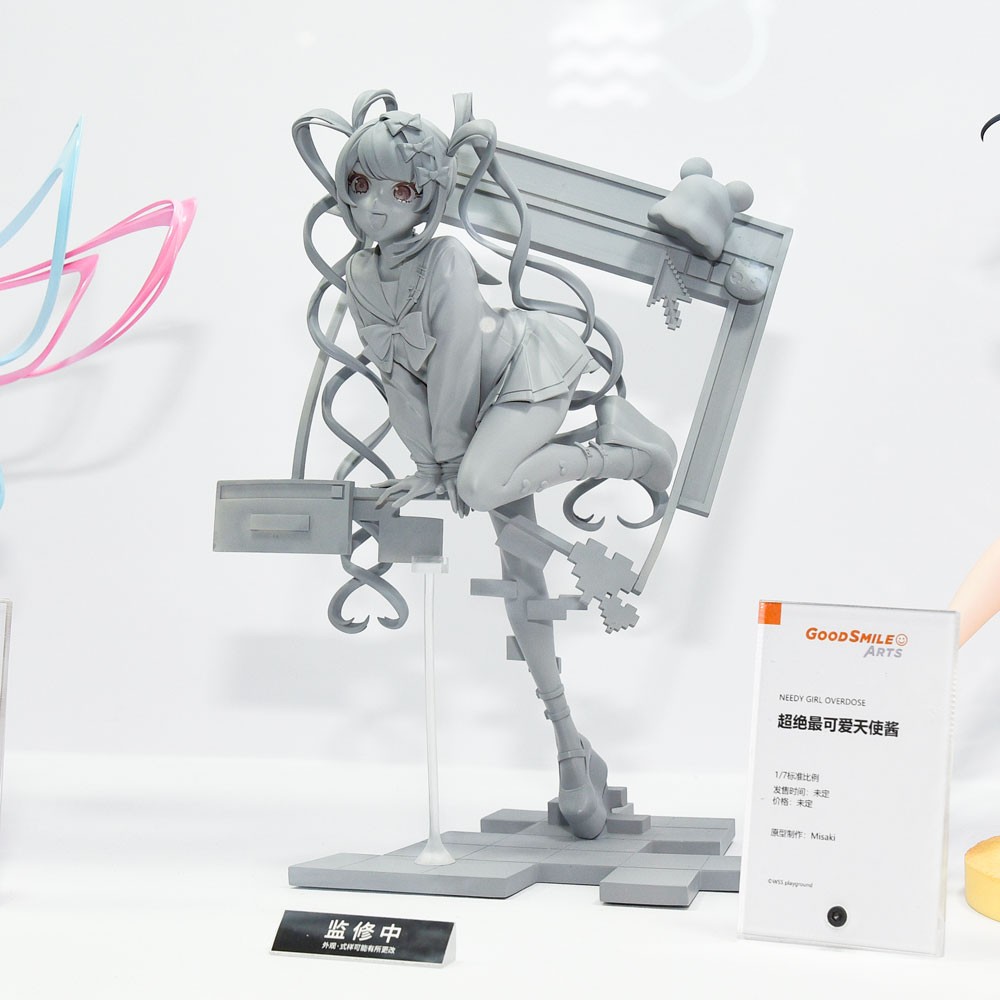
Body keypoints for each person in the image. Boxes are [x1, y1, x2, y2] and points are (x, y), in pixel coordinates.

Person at [294, 91, 676, 838]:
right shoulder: (361, 273)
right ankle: (571, 749)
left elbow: (457, 363)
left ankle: (628, 452)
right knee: (520, 572)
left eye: (400, 191)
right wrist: (427, 465)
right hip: (469, 418)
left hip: (524, 376)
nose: (374, 206)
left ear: (428, 197)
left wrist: (449, 466)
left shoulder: (444, 257)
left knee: (480, 482)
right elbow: (397, 377)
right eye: (361, 185)